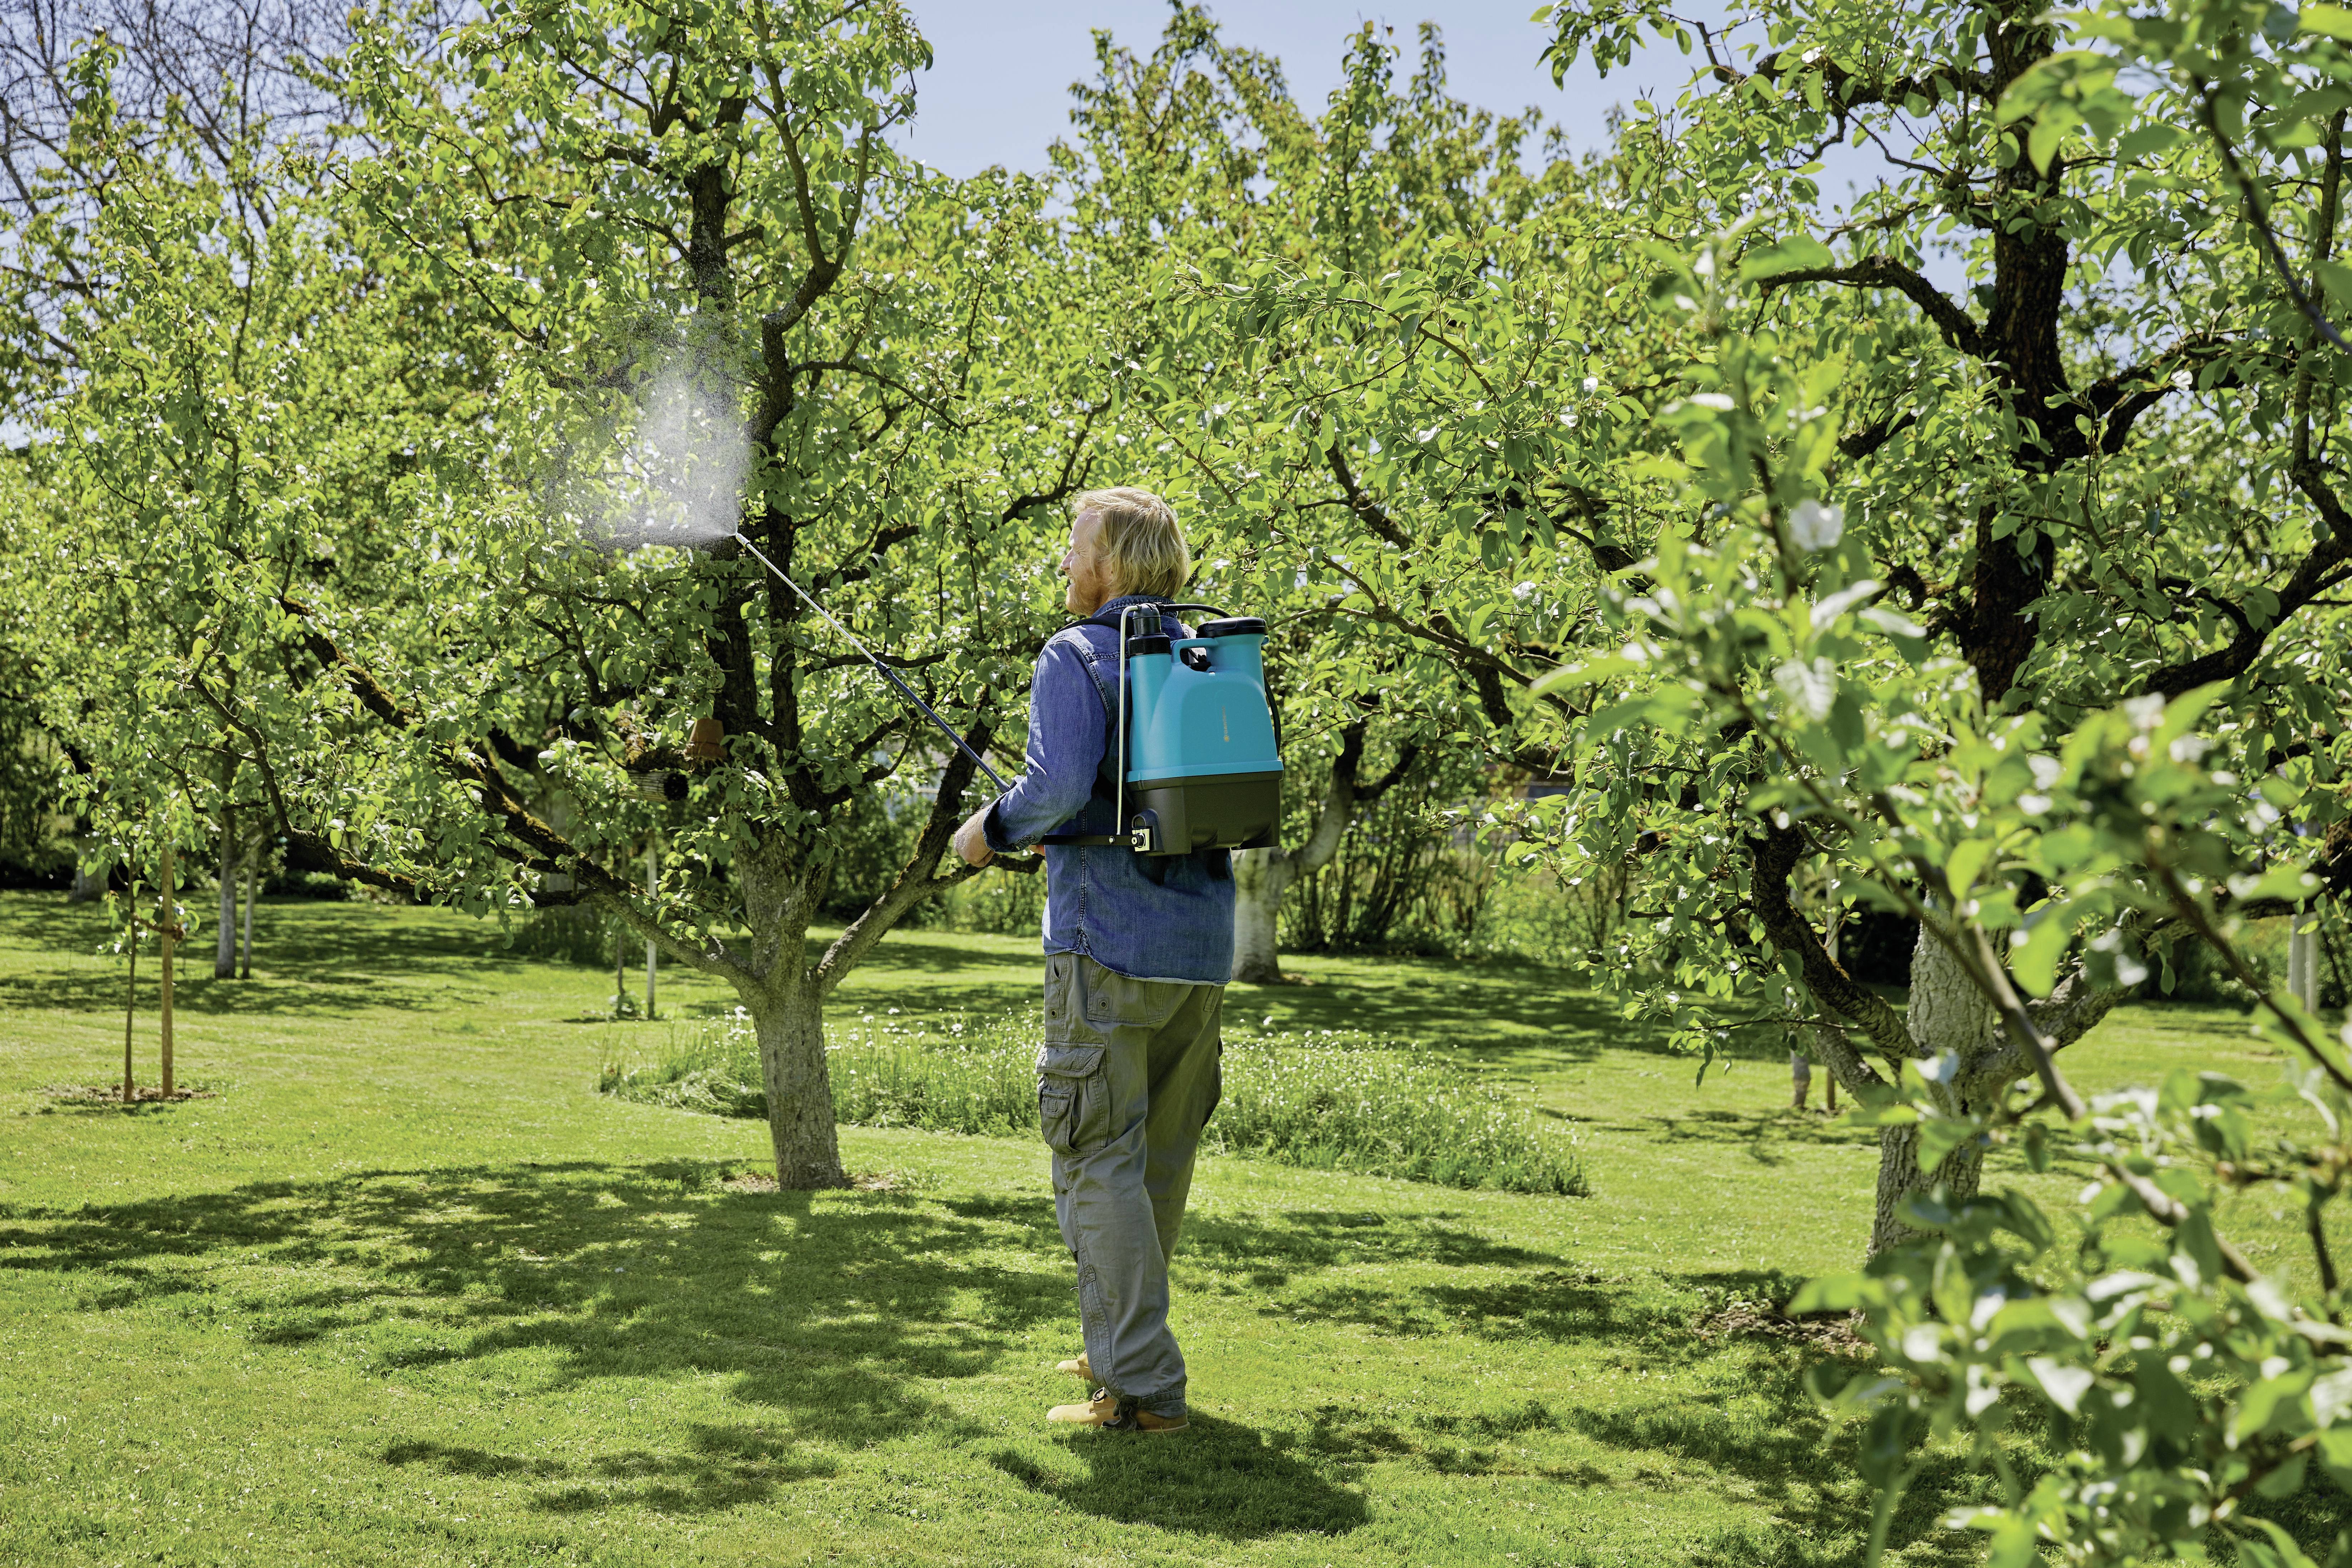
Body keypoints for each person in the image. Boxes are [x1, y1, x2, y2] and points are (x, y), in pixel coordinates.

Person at [953, 486, 1231, 1435]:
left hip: (1104, 945)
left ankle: (1142, 1387)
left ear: (1109, 560)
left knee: (1095, 1156)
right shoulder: (1200, 659)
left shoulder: (1074, 656)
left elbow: (1061, 783)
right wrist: (1058, 823)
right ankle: (1118, 1345)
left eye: (1073, 548)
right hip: (1197, 953)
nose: (1064, 566)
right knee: (1153, 1161)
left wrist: (990, 830)